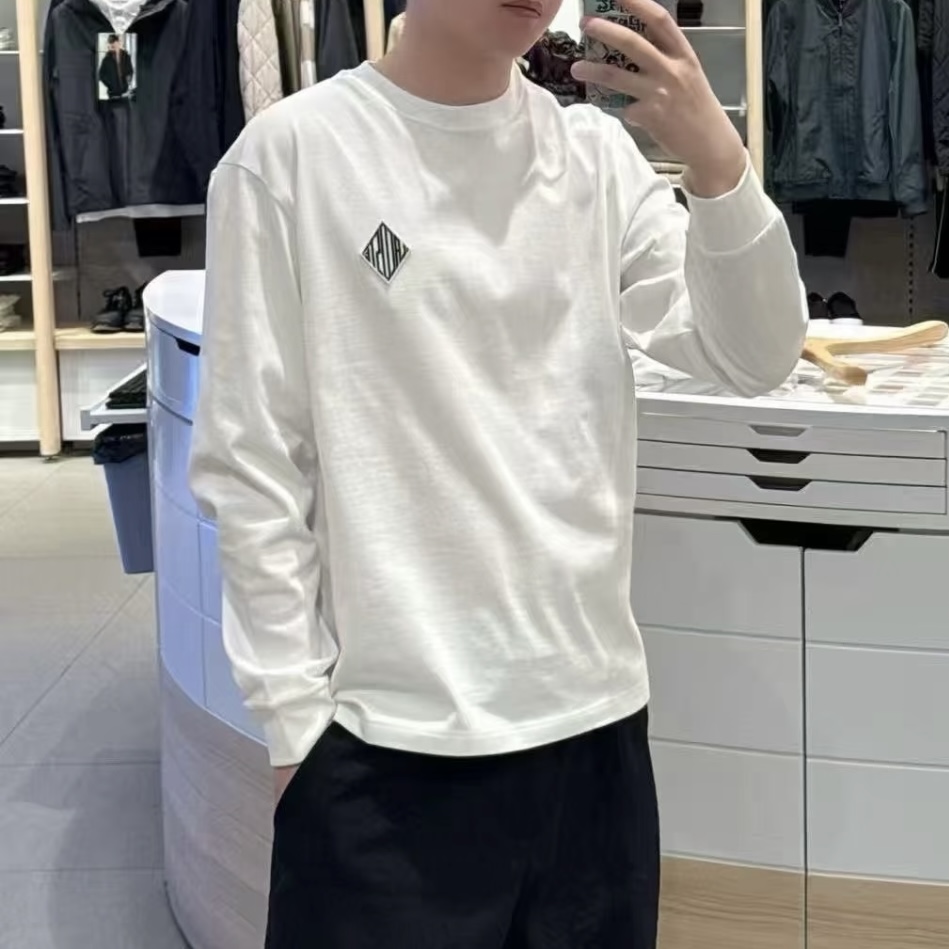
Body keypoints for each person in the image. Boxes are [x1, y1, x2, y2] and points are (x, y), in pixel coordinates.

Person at [189, 1, 807, 946]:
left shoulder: (594, 160)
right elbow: (253, 460)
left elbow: (754, 355)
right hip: (380, 745)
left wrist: (719, 167)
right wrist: (295, 725)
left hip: (592, 732)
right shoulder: (290, 157)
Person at [98, 33, 133, 99]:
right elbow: (101, 75)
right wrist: (110, 85)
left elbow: (130, 71)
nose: (112, 44)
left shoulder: (126, 56)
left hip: (125, 91)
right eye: (110, 43)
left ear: (118, 43)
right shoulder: (106, 59)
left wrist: (128, 83)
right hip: (112, 92)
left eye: (113, 42)